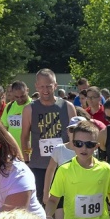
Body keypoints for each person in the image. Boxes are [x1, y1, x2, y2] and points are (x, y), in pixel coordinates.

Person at [22, 70, 77, 203]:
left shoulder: (67, 107)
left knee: (66, 202)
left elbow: (76, 137)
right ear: (36, 87)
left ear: (55, 85)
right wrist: (27, 159)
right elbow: (25, 137)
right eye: (41, 86)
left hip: (64, 164)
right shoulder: (29, 109)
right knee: (41, 202)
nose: (45, 90)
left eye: (48, 86)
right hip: (39, 165)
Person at [2, 80, 29, 147]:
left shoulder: (34, 106)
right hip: (14, 150)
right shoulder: (9, 106)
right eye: (16, 97)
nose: (20, 99)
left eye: (22, 96)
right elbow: (4, 128)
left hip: (30, 150)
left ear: (27, 91)